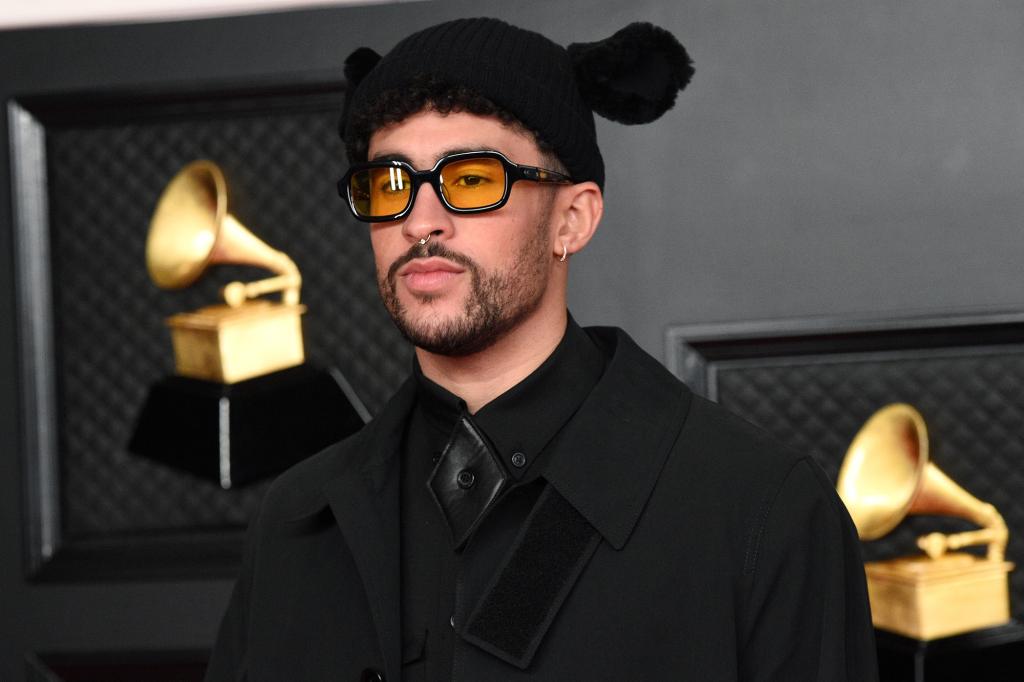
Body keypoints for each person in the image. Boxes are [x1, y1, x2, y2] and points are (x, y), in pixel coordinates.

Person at [205, 16, 878, 682]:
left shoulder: (764, 510)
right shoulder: (293, 520)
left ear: (573, 219)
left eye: (470, 179)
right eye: (390, 184)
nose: (419, 220)